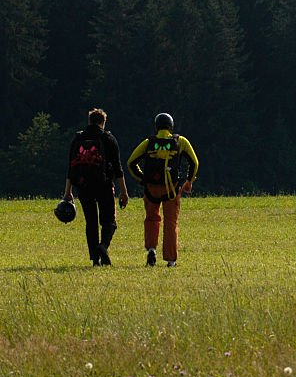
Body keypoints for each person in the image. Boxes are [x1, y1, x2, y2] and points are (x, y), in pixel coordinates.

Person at [127, 113, 199, 267]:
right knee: (170, 223)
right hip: (171, 189)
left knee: (152, 219)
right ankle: (171, 260)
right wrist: (189, 181)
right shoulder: (180, 141)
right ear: (171, 126)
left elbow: (131, 162)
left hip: (151, 189)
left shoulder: (148, 142)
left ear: (156, 127)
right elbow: (194, 163)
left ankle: (152, 249)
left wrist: (142, 179)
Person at [63, 108, 130, 266]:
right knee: (109, 221)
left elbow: (71, 167)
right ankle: (103, 246)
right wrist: (124, 191)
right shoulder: (108, 138)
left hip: (83, 186)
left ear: (89, 121)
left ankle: (95, 259)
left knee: (91, 222)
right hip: (104, 186)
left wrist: (68, 192)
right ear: (103, 122)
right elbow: (118, 168)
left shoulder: (78, 138)